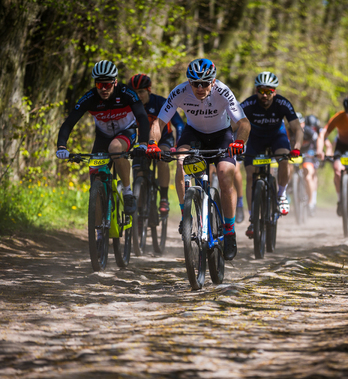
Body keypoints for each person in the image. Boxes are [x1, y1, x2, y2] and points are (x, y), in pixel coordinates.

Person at [146, 58, 251, 261]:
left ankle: (229, 231)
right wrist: (152, 143)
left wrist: (239, 141)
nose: (200, 87)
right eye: (195, 83)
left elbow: (244, 123)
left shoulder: (223, 90)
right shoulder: (180, 91)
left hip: (222, 135)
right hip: (193, 134)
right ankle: (186, 214)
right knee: (180, 161)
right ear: (189, 82)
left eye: (205, 83)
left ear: (213, 81)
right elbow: (159, 122)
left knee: (224, 175)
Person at [56, 60, 149, 215]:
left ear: (115, 82)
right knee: (95, 177)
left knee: (115, 148)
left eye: (107, 85)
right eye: (100, 85)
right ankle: (99, 233)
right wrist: (61, 146)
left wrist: (144, 143)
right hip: (103, 137)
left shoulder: (126, 93)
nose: (104, 89)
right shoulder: (90, 97)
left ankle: (127, 193)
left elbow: (142, 117)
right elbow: (69, 122)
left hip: (126, 132)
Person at [240, 71, 303, 238]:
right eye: (262, 91)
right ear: (256, 91)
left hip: (277, 137)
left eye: (269, 91)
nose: (265, 95)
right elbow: (234, 124)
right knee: (250, 173)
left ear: (274, 92)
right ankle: (253, 218)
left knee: (284, 159)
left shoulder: (283, 103)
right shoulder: (248, 104)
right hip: (255, 139)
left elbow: (297, 128)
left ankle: (281, 195)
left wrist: (296, 147)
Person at [128, 74, 185, 214]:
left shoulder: (161, 102)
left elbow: (178, 124)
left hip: (163, 139)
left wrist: (178, 144)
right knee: (138, 172)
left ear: (149, 90)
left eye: (141, 92)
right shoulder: (130, 106)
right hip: (141, 143)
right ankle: (139, 213)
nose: (138, 96)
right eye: (135, 93)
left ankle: (164, 197)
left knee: (161, 159)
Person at [302, 114, 321, 214]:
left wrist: (320, 152)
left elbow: (323, 141)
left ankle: (312, 200)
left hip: (311, 155)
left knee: (311, 176)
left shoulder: (318, 131)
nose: (311, 129)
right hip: (301, 155)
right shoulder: (300, 130)